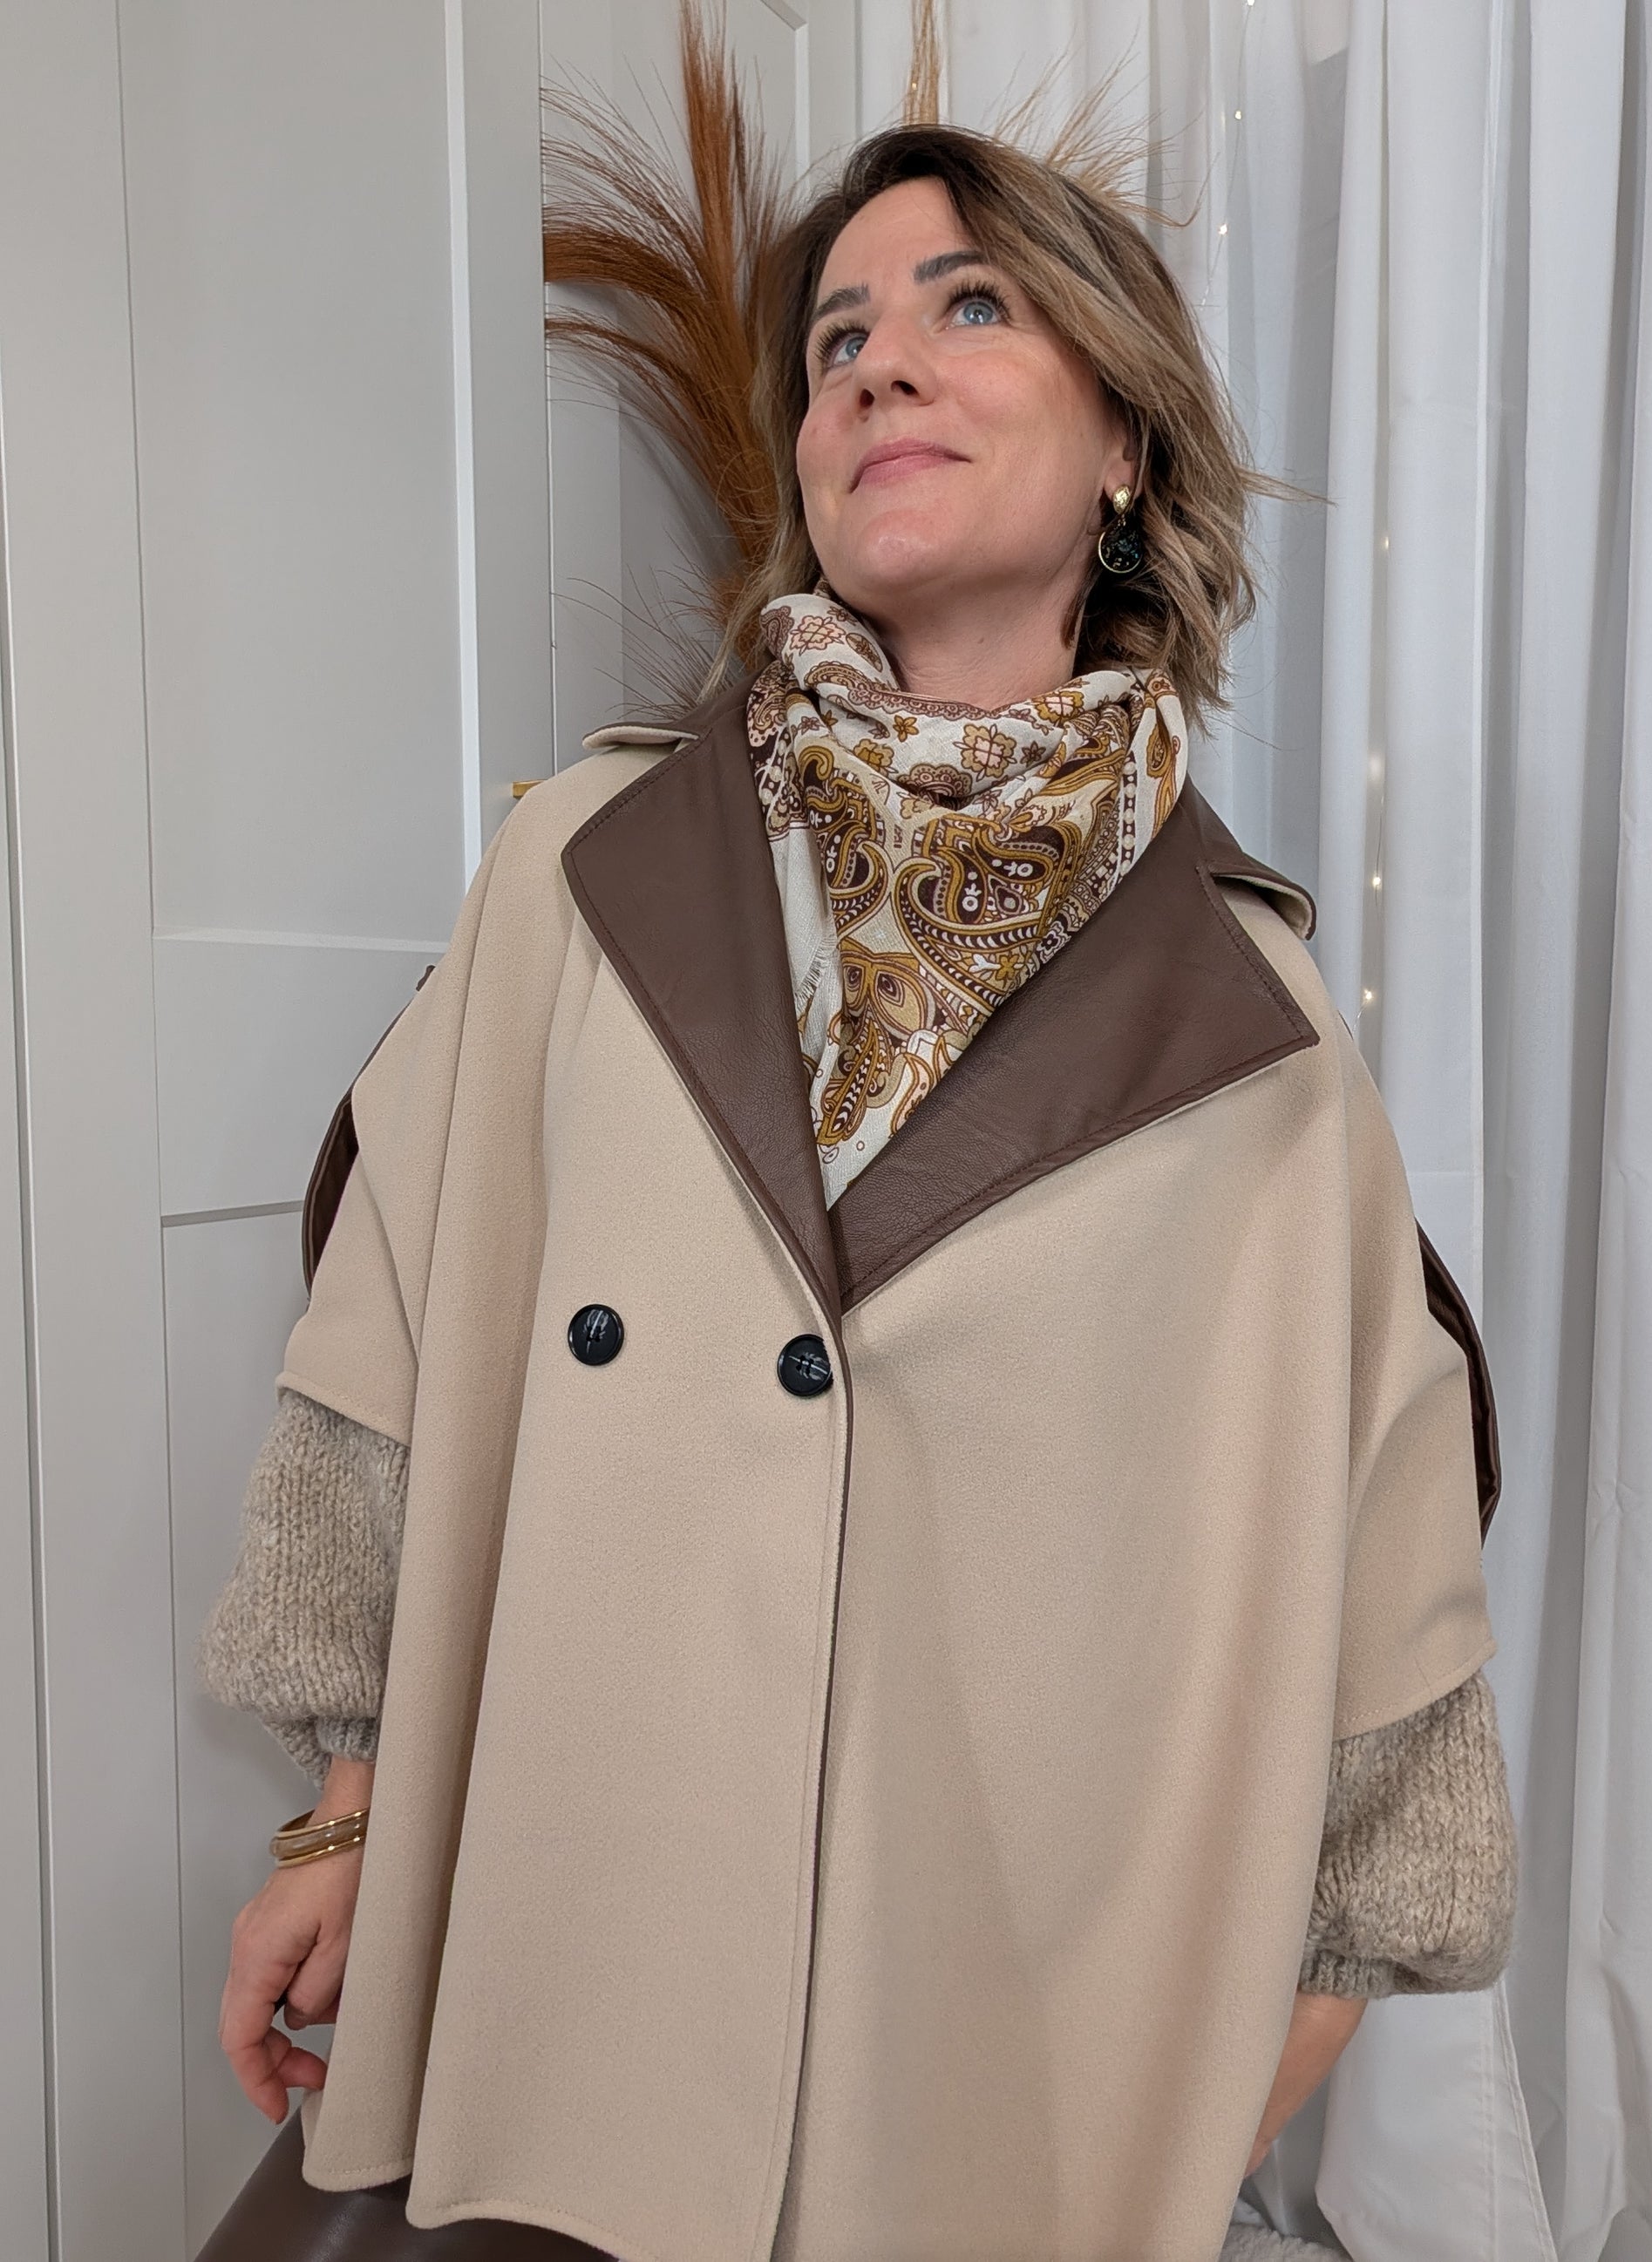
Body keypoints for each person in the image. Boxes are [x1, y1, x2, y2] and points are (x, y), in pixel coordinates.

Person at [200, 122, 1517, 2262]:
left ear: (1123, 442)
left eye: (969, 305)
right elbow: (385, 1363)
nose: (879, 366)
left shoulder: (1258, 1028)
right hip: (582, 1954)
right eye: (837, 340)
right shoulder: (584, 869)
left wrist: (1180, 2114)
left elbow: (1390, 1631)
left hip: (963, 2054)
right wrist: (339, 1813)